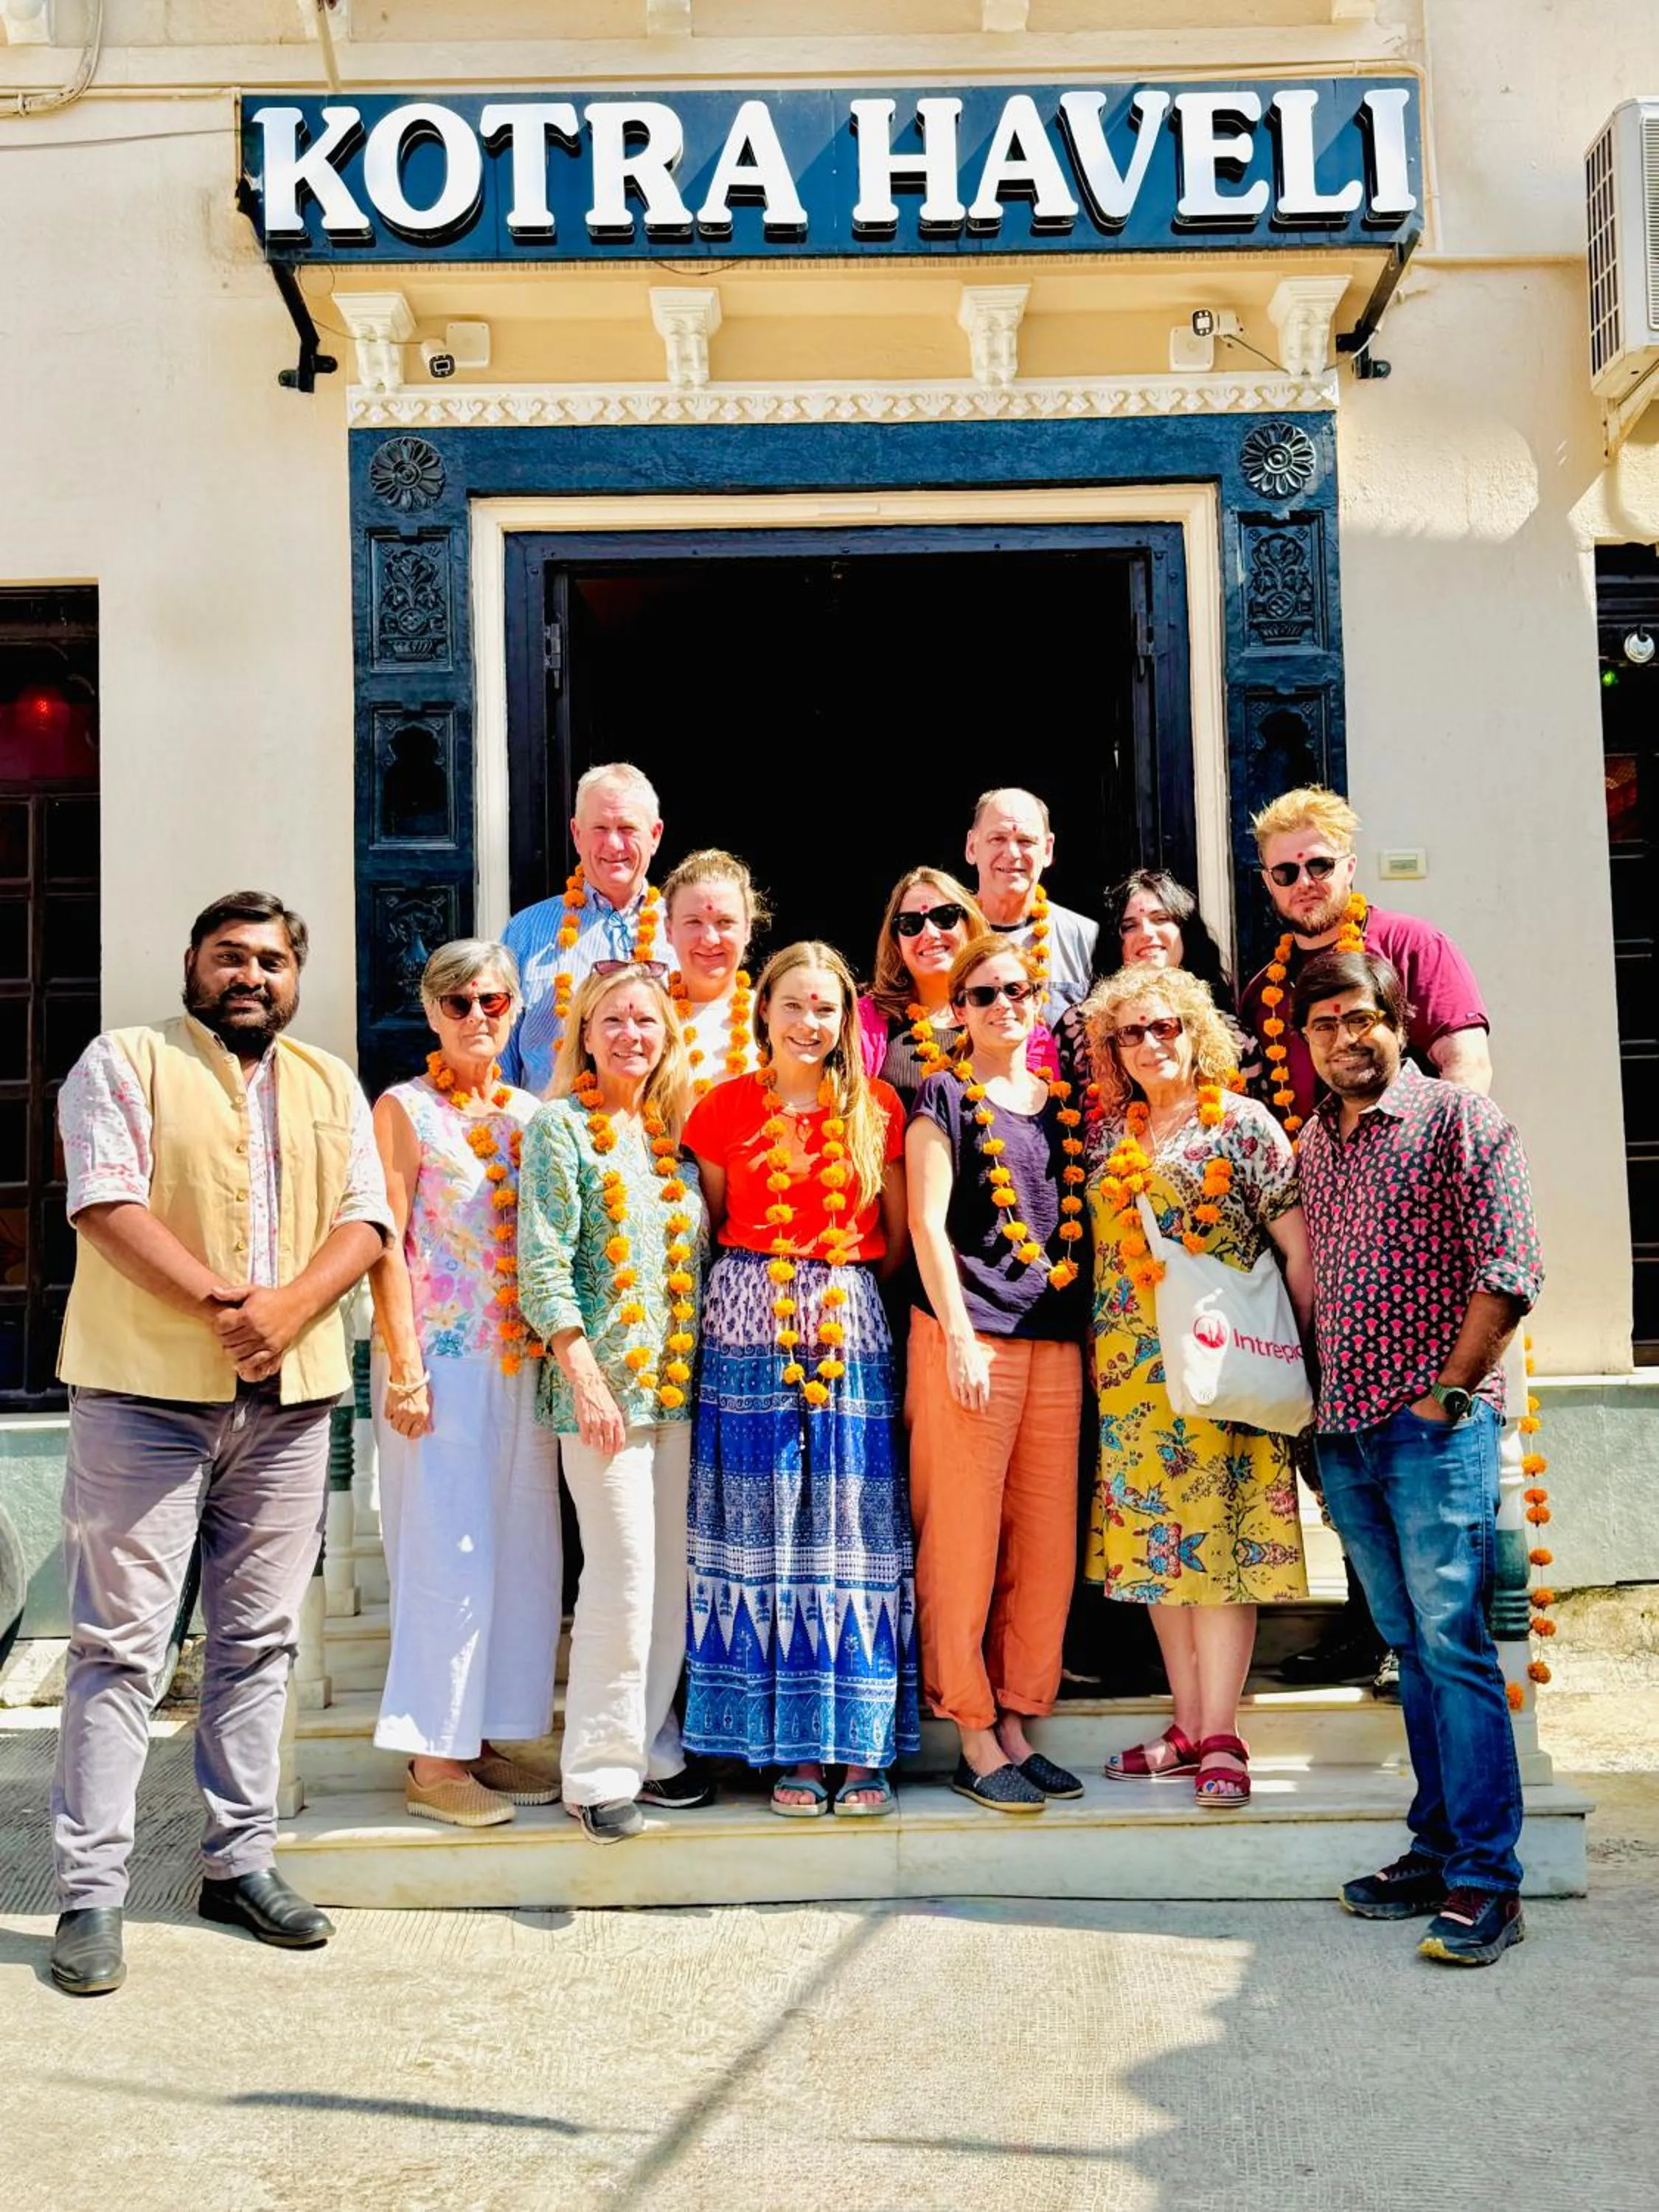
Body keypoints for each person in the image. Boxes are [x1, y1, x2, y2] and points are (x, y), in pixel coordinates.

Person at [48, 892, 393, 1997]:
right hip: (144, 1393)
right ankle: (91, 1890)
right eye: (230, 958)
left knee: (258, 1644)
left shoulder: (331, 1080)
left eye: (273, 961)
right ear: (191, 963)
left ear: (297, 976)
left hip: (290, 1404)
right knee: (121, 1650)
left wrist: (290, 1311)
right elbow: (105, 1202)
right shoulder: (124, 1061)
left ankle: (237, 1865)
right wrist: (224, 1305)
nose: (251, 977)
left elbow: (368, 1220)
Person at [1294, 947, 1543, 1968]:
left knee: (1451, 1645)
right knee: (1407, 1641)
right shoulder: (1313, 1141)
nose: (1346, 1038)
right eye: (1324, 1025)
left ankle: (1488, 1880)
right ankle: (1436, 1845)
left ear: (1396, 1020)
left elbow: (1509, 1267)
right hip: (1345, 1431)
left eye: (1361, 1019)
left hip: (1432, 1426)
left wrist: (1448, 1394)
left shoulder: (1459, 1121)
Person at [1239, 787, 1492, 1693]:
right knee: (1329, 1448)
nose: (1304, 884)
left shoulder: (1413, 946)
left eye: (1318, 865)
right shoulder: (1264, 985)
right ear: (1267, 883)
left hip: (1411, 1245)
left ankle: (1411, 1640)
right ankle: (1366, 1623)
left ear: (1350, 863)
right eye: (1285, 872)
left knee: (1417, 1464)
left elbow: (1466, 1075)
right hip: (1314, 1238)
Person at [681, 942, 918, 1817]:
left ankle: (856, 1750)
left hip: (847, 1318)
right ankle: (783, 1747)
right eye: (794, 1005)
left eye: (826, 1008)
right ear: (764, 1011)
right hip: (746, 1314)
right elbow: (712, 1220)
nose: (809, 1023)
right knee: (760, 1526)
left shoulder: (879, 1109)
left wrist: (836, 1295)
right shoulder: (720, 1109)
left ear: (845, 1018)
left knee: (850, 1526)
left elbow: (891, 1240)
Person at [1082, 964, 1313, 1806]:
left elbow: (1298, 1252)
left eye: (1165, 1027)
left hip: (1221, 1366)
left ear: (1196, 1031)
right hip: (1134, 1375)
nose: (1150, 1044)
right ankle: (1185, 1725)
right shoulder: (1112, 1134)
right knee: (1160, 1554)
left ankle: (1223, 1730)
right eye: (1131, 1033)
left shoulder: (1244, 1125)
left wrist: (1292, 1351)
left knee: (1220, 1553)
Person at [367, 941, 563, 1831]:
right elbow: (384, 1242)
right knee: (447, 1552)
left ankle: (480, 1737)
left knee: (518, 1553)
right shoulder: (403, 1110)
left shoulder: (529, 1114)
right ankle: (431, 1759)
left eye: (492, 1000)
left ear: (515, 1007)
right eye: (457, 1003)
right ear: (431, 1011)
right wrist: (403, 1362)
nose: (477, 1016)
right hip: (438, 1361)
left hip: (518, 1360)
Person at [518, 965, 709, 1843]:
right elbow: (545, 1265)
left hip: (678, 1391)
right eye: (614, 1020)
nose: (632, 1033)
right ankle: (596, 1775)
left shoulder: (672, 1141)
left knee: (669, 1584)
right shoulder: (562, 1129)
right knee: (622, 1580)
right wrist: (585, 1376)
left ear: (667, 1036)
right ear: (586, 1035)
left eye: (647, 1020)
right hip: (601, 1397)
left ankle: (651, 1752)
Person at [906, 934, 1090, 1814]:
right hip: (972, 1335)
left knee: (1045, 1545)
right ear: (960, 1011)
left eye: (1017, 990)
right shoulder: (941, 1095)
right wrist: (956, 1336)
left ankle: (1019, 1718)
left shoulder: (1065, 1107)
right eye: (982, 994)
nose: (1003, 1005)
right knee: (964, 1539)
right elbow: (928, 1225)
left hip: (1055, 1339)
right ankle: (972, 1732)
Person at [501, 762, 666, 1095]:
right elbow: (498, 1062)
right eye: (600, 828)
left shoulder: (687, 932)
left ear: (655, 836)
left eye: (628, 828)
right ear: (577, 834)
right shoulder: (526, 932)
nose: (614, 845)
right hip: (548, 1138)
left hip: (662, 1139)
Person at [860, 866, 1060, 1106]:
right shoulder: (867, 1018)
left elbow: (1040, 1118)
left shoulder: (1015, 1017)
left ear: (969, 923)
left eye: (945, 917)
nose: (930, 933)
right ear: (896, 941)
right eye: (911, 923)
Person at [1057, 869, 1259, 1097]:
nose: (1147, 933)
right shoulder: (1079, 1028)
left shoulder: (1231, 1035)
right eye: (1129, 926)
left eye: (1161, 919)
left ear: (1185, 932)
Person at [964, 787, 1099, 1026]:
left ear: (1047, 850)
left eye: (1025, 841)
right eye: (997, 839)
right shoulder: (945, 935)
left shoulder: (1085, 938)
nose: (1012, 853)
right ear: (972, 847)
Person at [661, 847, 768, 1100]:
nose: (709, 939)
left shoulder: (772, 1017)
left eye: (724, 923)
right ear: (668, 930)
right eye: (694, 922)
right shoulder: (647, 1019)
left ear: (747, 929)